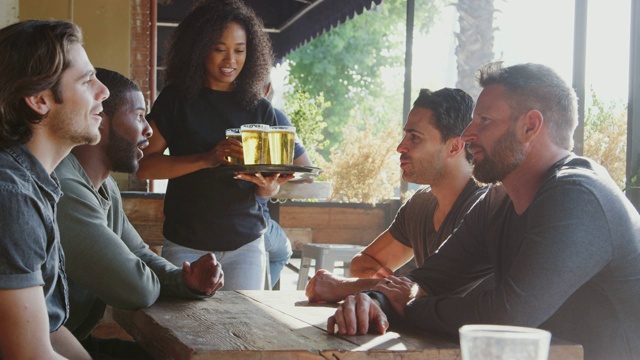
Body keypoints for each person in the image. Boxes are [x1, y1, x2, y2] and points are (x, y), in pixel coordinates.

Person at [327, 62, 640, 360]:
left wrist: (406, 307)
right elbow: (431, 278)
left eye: (485, 121)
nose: (466, 135)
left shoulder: (578, 196)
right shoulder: (498, 199)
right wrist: (373, 302)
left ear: (530, 126)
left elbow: (508, 316)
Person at [54, 68, 225, 358]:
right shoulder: (65, 188)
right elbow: (137, 289)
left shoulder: (105, 186)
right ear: (100, 118)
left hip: (75, 342)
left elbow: (139, 254)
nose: (148, 130)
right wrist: (165, 280)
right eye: (138, 116)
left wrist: (184, 281)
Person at [137, 0, 292, 290]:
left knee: (244, 333)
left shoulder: (260, 109)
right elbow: (144, 166)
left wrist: (268, 186)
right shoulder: (176, 100)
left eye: (239, 50)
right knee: (184, 330)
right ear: (198, 48)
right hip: (186, 244)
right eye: (219, 49)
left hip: (246, 244)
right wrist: (207, 158)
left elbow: (266, 187)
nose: (230, 60)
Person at [305, 88, 489, 303]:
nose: (400, 147)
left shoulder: (482, 208)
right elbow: (363, 263)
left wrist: (343, 286)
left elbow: (441, 292)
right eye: (405, 135)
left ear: (454, 147)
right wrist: (385, 286)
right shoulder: (421, 205)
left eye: (415, 137)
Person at [0, 20, 109, 359]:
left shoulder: (32, 183)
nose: (103, 91)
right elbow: (30, 355)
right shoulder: (12, 196)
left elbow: (48, 326)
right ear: (39, 99)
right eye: (87, 80)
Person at [258, 78, 313, 289]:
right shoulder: (275, 117)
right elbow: (308, 173)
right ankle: (260, 295)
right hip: (253, 223)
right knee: (283, 251)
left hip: (194, 226)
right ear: (268, 89)